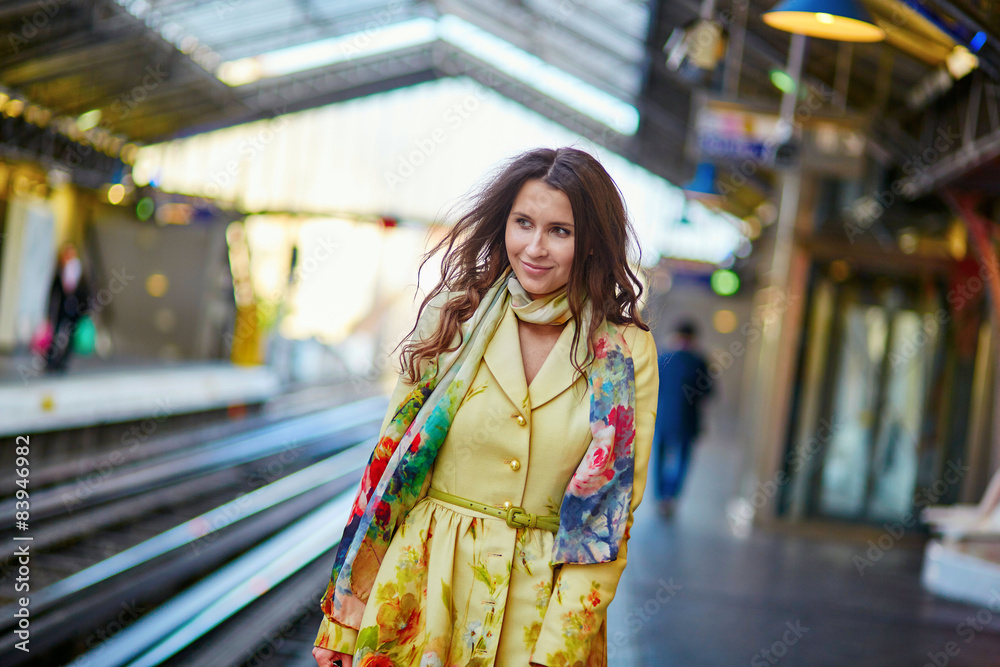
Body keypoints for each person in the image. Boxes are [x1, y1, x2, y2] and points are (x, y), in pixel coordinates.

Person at [312, 147, 659, 667]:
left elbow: (605, 523)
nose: (535, 247)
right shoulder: (453, 317)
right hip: (419, 593)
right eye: (523, 223)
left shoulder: (625, 351)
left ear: (591, 242)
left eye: (560, 231)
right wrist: (342, 619)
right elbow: (386, 477)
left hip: (541, 613)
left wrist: (556, 655)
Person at [652, 320, 711, 517]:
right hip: (688, 420)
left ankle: (660, 496)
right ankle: (671, 496)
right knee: (682, 460)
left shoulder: (663, 358)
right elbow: (709, 392)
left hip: (662, 419)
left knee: (659, 458)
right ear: (694, 338)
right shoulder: (699, 361)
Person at [44, 242, 90, 373]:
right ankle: (51, 361)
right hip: (62, 308)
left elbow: (86, 291)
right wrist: (49, 310)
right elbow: (54, 292)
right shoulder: (60, 269)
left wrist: (86, 310)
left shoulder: (80, 270)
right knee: (56, 333)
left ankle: (64, 361)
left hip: (76, 309)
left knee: (71, 335)